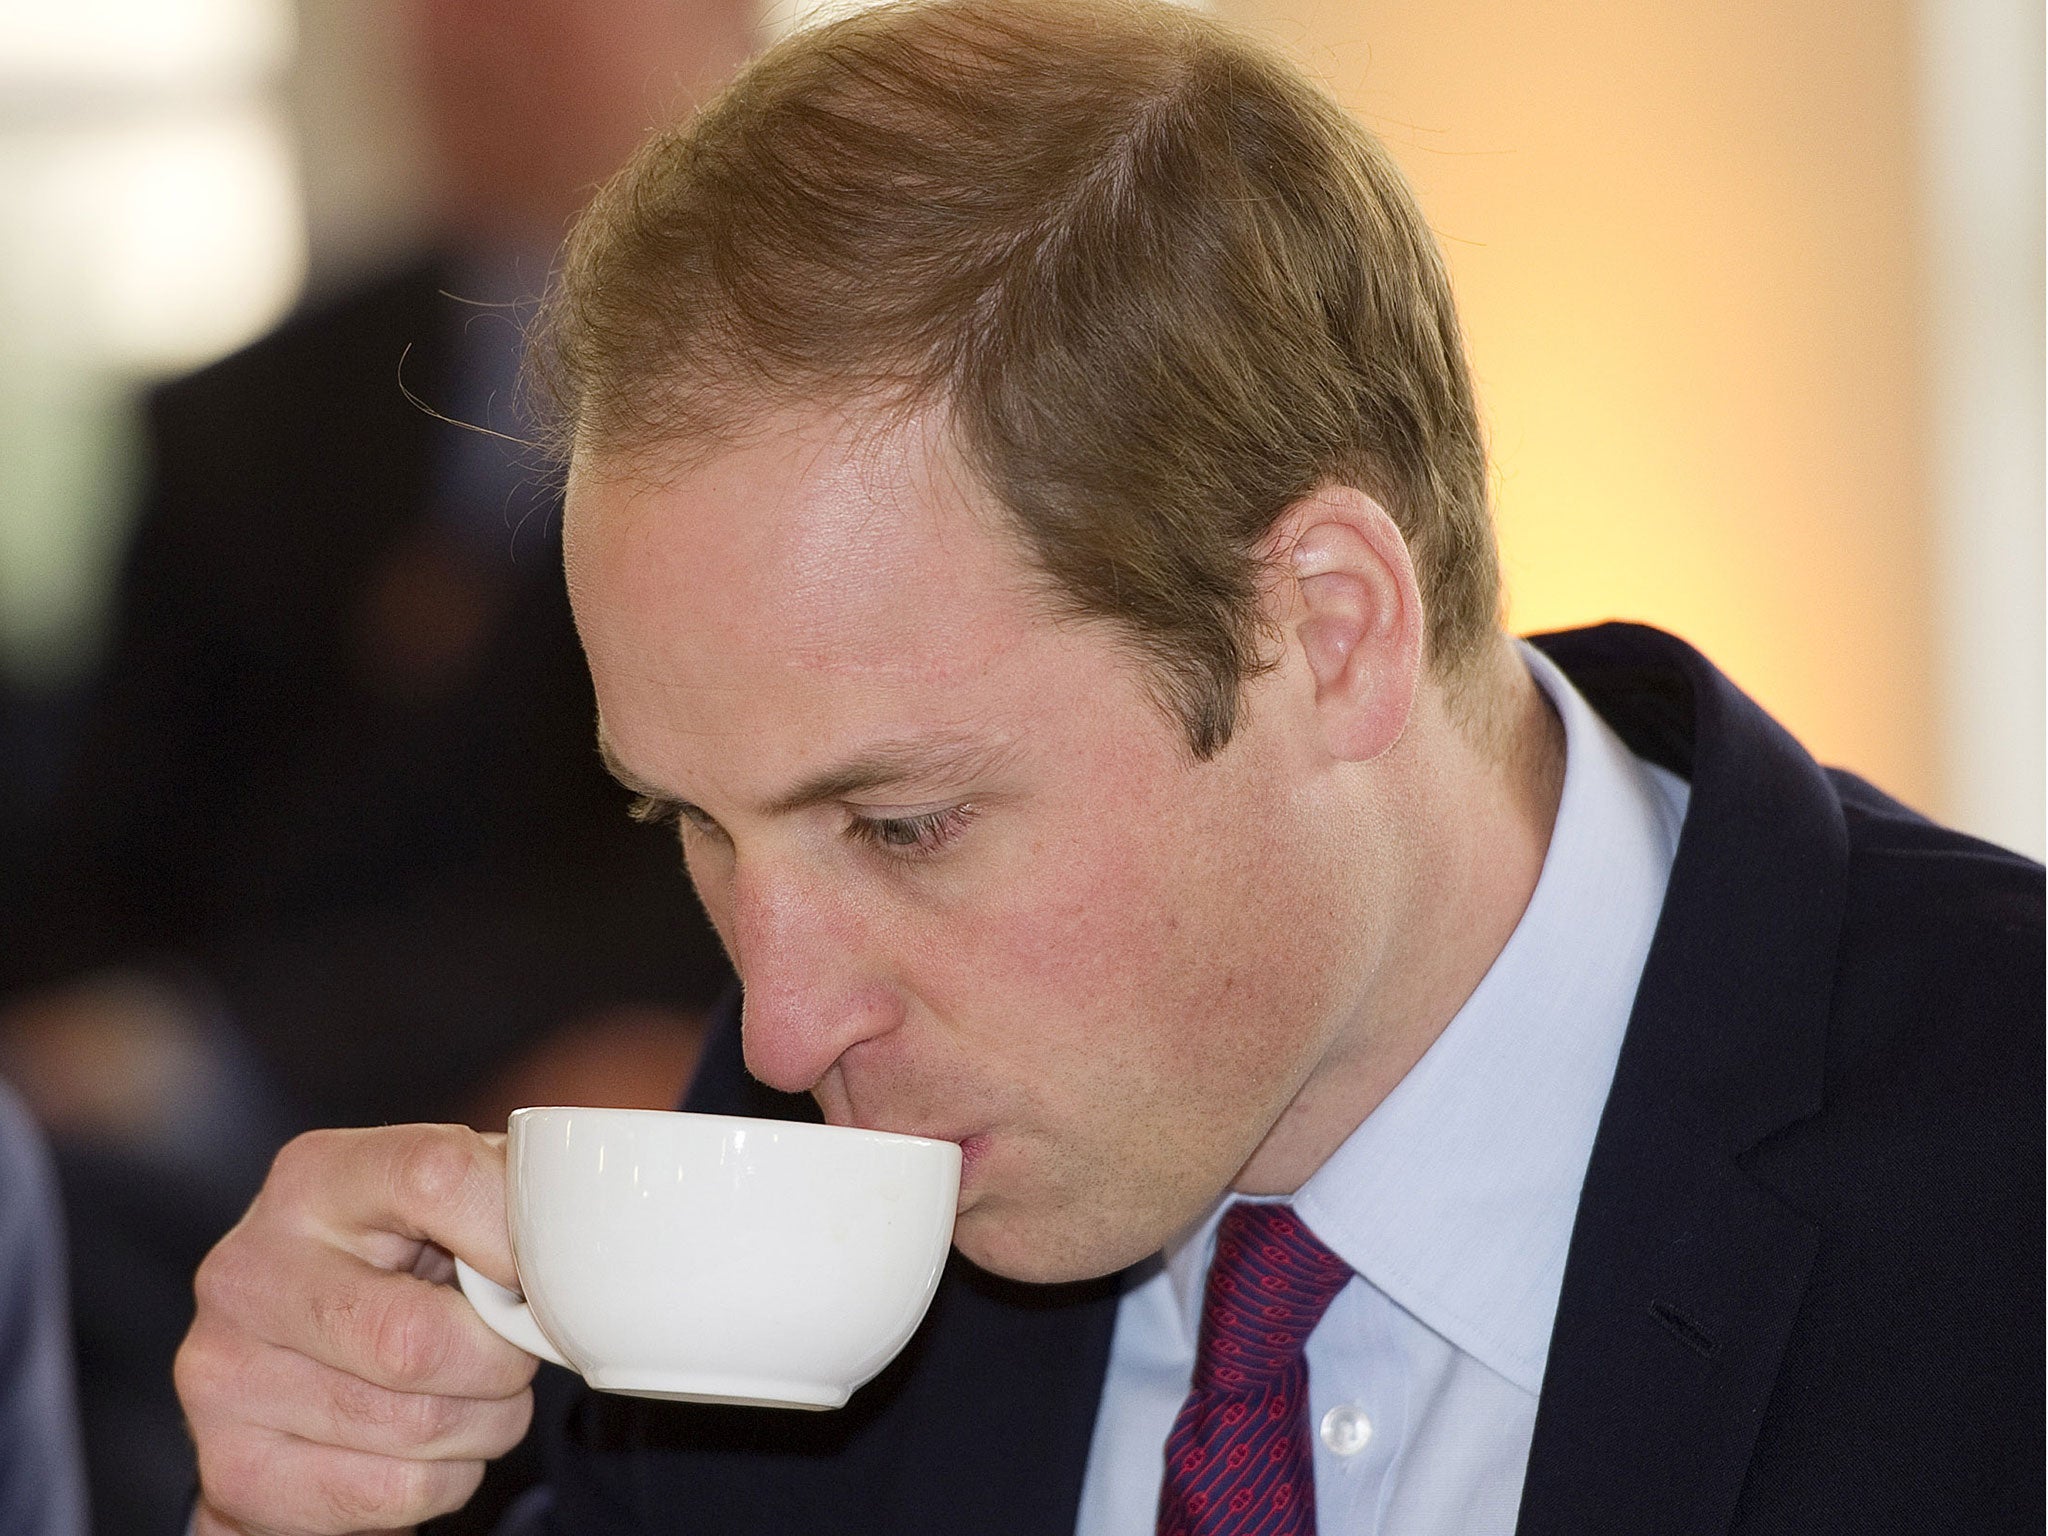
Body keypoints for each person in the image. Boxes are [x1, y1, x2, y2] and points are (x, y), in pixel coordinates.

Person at [171, 1, 2045, 1533]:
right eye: (695, 829)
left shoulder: (2000, 1175)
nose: (781, 1023)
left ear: (1328, 629)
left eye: (903, 823)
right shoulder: (754, 1265)